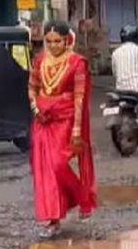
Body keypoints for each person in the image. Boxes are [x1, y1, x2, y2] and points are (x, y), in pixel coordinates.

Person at [28, 20, 97, 238]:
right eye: (49, 41)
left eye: (57, 41)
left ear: (67, 40)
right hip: (42, 120)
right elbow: (32, 88)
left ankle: (81, 197)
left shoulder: (77, 63)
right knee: (44, 170)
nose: (53, 45)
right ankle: (53, 219)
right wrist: (35, 107)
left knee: (58, 165)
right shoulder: (39, 61)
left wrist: (77, 129)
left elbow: (79, 98)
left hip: (66, 120)